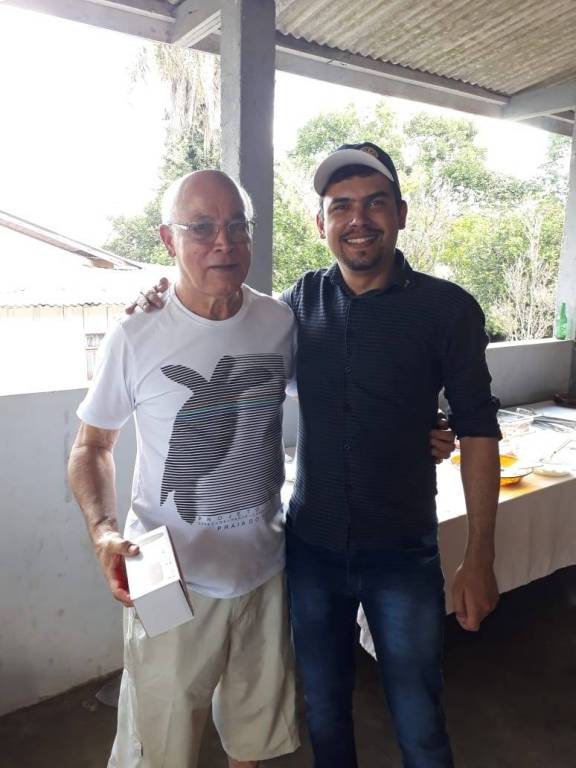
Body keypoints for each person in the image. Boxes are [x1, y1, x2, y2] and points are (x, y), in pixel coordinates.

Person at [136, 143, 501, 768]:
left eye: (375, 204)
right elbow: (220, 314)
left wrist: (480, 556)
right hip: (310, 553)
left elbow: (479, 429)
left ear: (401, 214)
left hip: (403, 553)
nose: (358, 219)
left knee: (419, 718)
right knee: (324, 710)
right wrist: (159, 297)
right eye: (341, 207)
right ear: (320, 223)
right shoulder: (295, 307)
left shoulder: (447, 310)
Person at [68, 170, 300, 768]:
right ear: (168, 240)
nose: (224, 242)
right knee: (160, 741)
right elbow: (91, 447)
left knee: (254, 734)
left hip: (265, 567)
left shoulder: (279, 322)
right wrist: (102, 532)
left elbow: (338, 396)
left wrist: (421, 424)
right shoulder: (136, 334)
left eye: (237, 225)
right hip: (161, 570)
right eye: (201, 227)